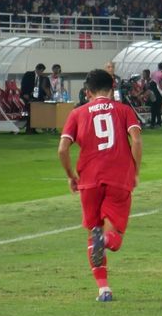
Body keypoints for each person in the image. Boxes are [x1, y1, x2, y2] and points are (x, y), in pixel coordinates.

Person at [58, 69, 143, 302]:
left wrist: (71, 175)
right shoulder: (124, 110)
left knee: (92, 232)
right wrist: (135, 170)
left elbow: (63, 149)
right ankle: (103, 241)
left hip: (88, 180)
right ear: (112, 89)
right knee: (111, 236)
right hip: (118, 178)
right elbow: (136, 139)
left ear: (87, 92)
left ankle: (103, 289)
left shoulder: (77, 113)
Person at [21, 63, 51, 133]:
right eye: (41, 71)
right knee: (30, 111)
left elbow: (41, 88)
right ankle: (29, 129)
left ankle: (33, 128)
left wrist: (45, 96)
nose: (42, 73)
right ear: (37, 69)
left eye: (42, 71)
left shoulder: (42, 77)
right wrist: (25, 93)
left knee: (37, 112)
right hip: (27, 96)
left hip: (36, 97)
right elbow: (23, 84)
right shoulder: (28, 74)